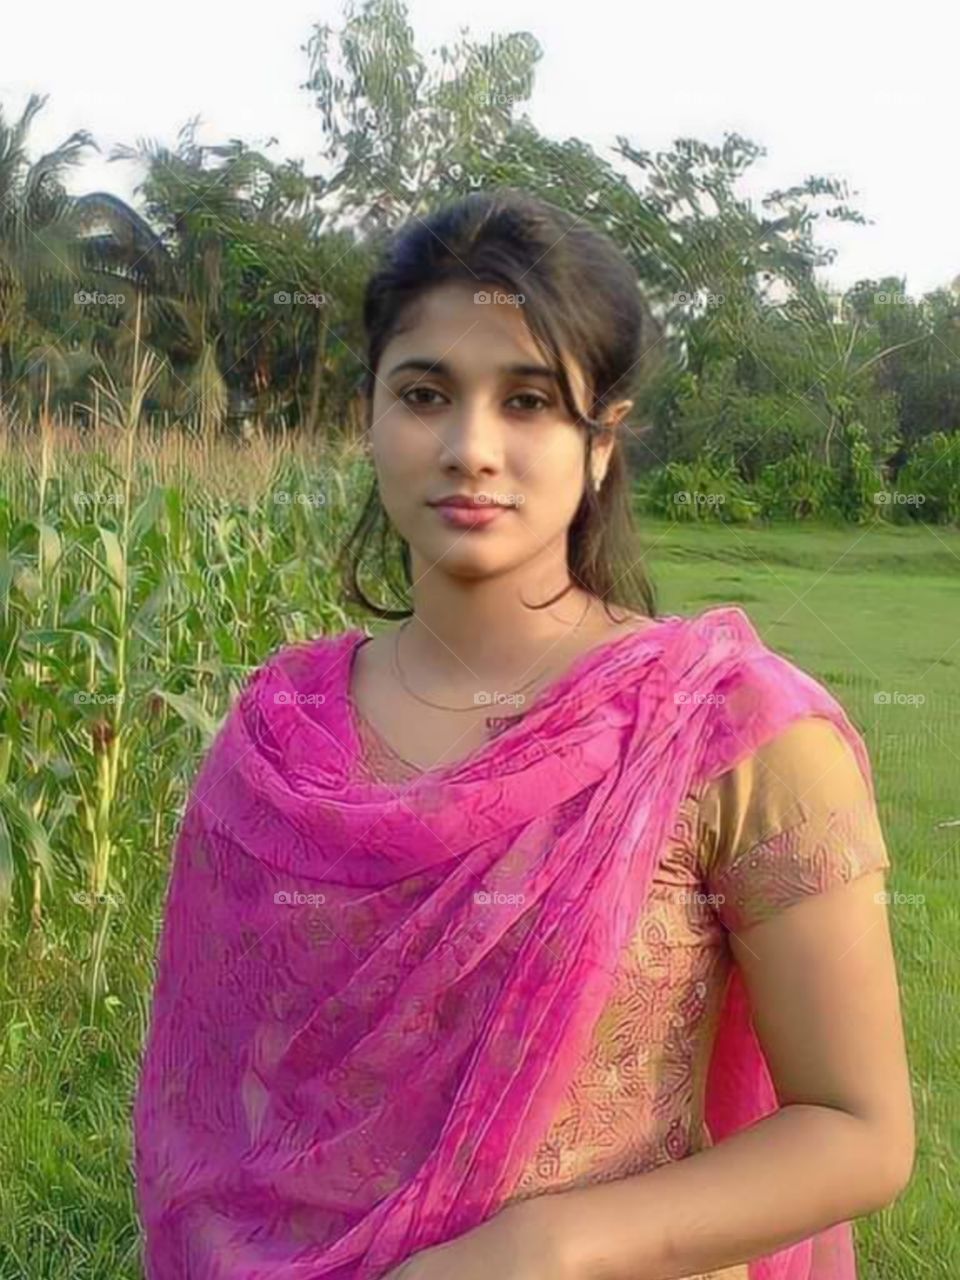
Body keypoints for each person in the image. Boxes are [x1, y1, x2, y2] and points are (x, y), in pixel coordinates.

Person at [132, 189, 914, 1280]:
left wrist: (546, 1245)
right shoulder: (279, 745)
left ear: (602, 443)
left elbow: (857, 1126)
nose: (471, 447)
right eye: (424, 394)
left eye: (530, 400)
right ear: (369, 417)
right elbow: (213, 1104)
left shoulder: (729, 736)